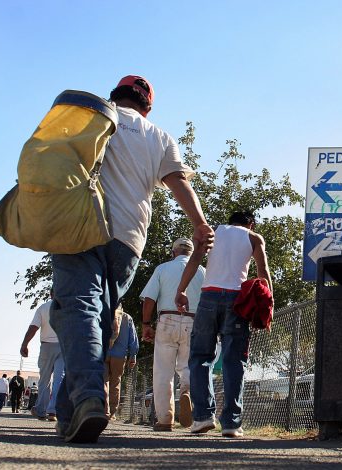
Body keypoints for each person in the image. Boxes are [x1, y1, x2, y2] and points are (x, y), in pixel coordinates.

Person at [48, 75, 214, 443]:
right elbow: (179, 182)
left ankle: (90, 398)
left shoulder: (96, 116)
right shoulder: (159, 136)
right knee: (98, 316)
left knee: (76, 310)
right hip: (128, 239)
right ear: (148, 106)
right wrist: (200, 225)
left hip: (80, 227)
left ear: (115, 96)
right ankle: (69, 413)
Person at [176, 210, 272, 437]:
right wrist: (269, 305)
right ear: (251, 224)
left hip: (208, 297)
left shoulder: (212, 231)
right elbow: (262, 272)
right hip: (237, 300)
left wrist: (181, 290)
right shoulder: (253, 238)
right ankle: (231, 423)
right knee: (233, 360)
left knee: (200, 357)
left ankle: (202, 418)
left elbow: (195, 259)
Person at [140, 237, 205, 432]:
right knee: (188, 365)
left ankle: (165, 419)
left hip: (167, 318)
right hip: (194, 320)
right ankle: (186, 390)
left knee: (163, 371)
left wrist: (146, 324)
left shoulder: (163, 268)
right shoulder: (202, 271)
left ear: (173, 252)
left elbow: (149, 298)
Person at [20, 293, 65, 421]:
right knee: (59, 379)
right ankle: (53, 411)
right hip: (63, 346)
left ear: (50, 294)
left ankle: (41, 410)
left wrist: (24, 344)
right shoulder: (67, 307)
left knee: (44, 380)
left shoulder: (43, 308)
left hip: (46, 346)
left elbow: (33, 327)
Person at [104, 305, 139, 419]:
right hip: (119, 356)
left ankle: (104, 410)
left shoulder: (104, 314)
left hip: (103, 353)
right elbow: (133, 339)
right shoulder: (127, 318)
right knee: (116, 383)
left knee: (103, 381)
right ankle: (112, 412)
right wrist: (133, 355)